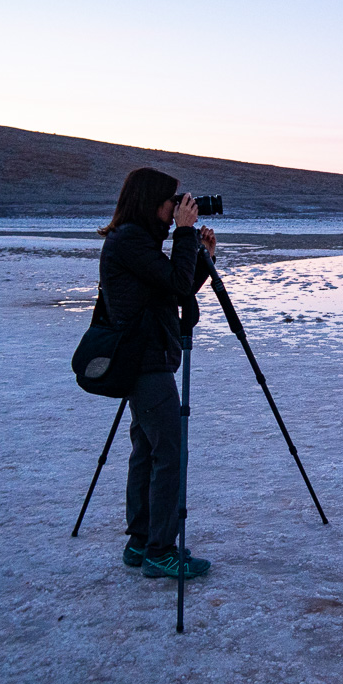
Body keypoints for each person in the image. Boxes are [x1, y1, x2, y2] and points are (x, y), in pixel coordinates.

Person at [97, 167, 217, 578]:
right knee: (169, 453)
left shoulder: (135, 240)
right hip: (144, 361)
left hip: (146, 358)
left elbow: (174, 289)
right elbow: (175, 286)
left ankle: (141, 542)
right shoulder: (130, 240)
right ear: (151, 202)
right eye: (172, 202)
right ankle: (160, 550)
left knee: (148, 451)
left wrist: (202, 256)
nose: (178, 209)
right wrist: (184, 236)